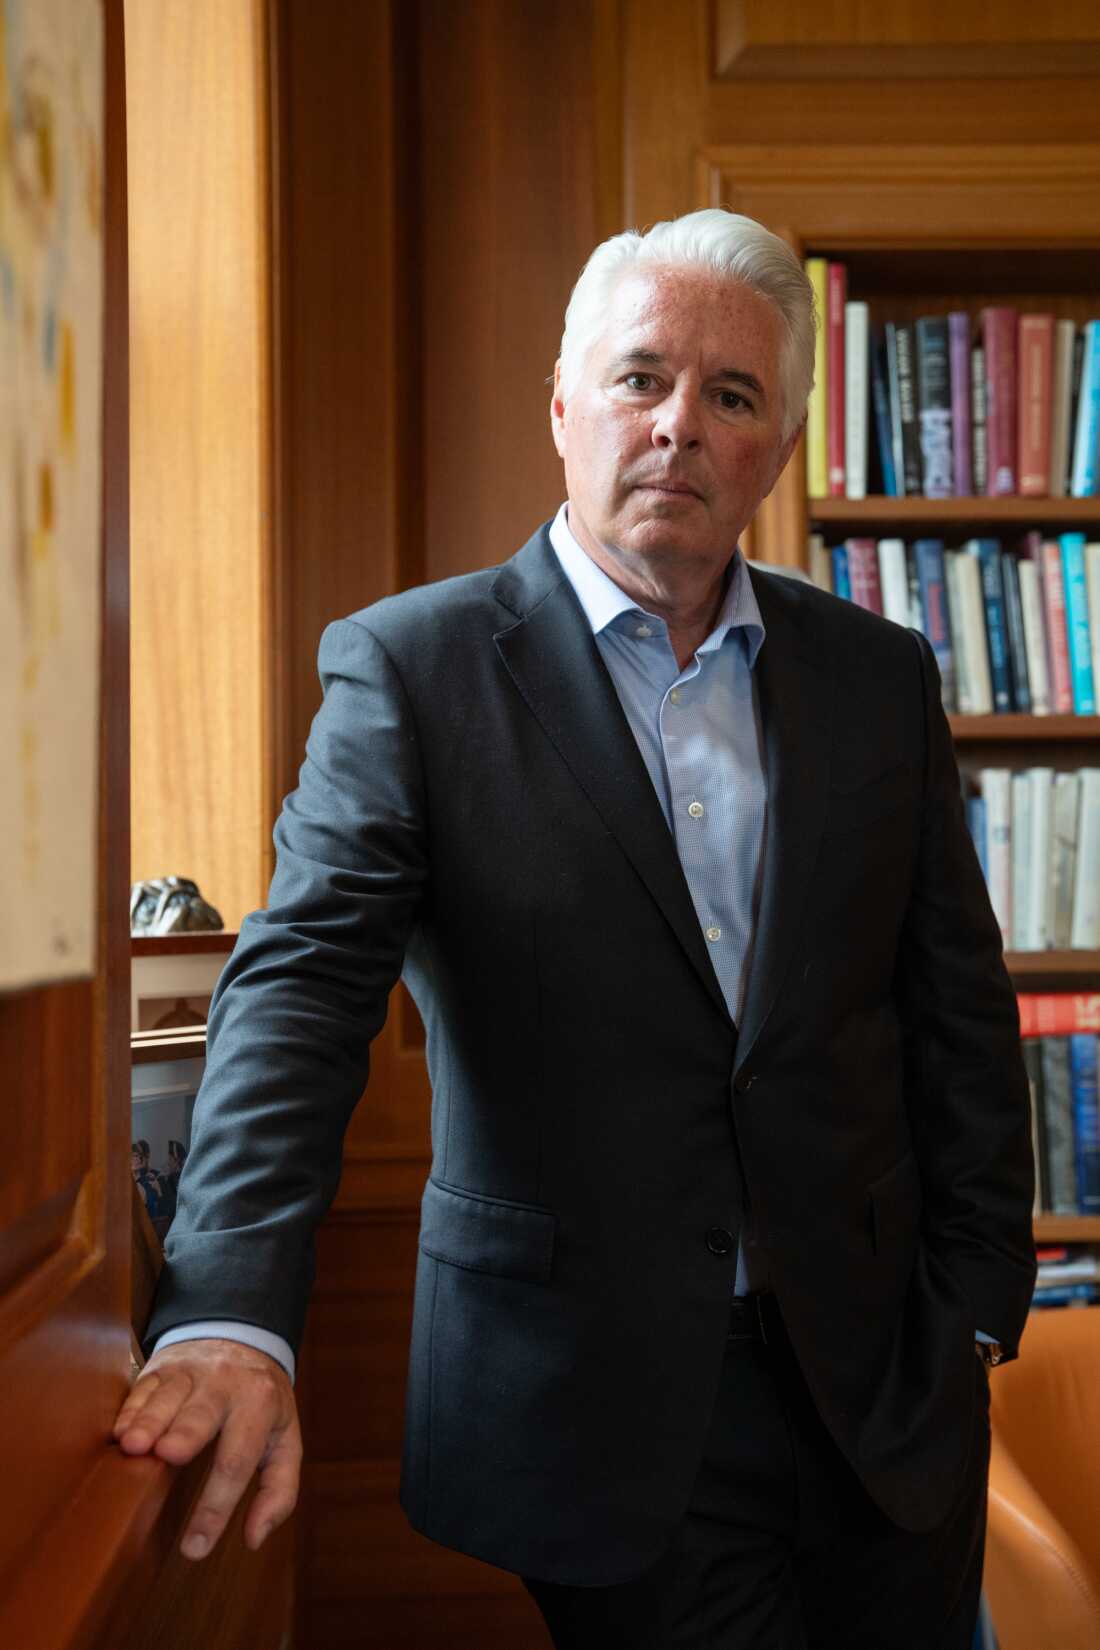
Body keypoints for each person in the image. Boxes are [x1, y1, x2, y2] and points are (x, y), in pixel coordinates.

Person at [113, 209, 1035, 1648]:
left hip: (884, 1384)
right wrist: (229, 1304)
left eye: (730, 397)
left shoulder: (876, 676)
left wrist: (978, 1298)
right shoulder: (412, 671)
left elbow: (956, 1006)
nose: (678, 425)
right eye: (640, 378)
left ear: (776, 452)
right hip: (598, 1401)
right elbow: (298, 991)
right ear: (562, 408)